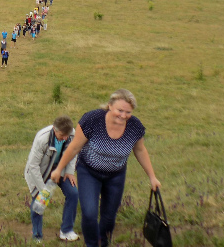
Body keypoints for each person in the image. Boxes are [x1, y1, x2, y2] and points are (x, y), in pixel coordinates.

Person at [51, 89, 161, 247]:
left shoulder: (134, 127)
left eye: (128, 112)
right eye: (120, 110)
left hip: (116, 176)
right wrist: (58, 169)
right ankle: (92, 244)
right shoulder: (92, 120)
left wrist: (152, 177)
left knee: (109, 218)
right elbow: (74, 147)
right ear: (110, 106)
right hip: (89, 172)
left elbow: (140, 150)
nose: (123, 115)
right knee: (89, 214)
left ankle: (104, 243)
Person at [25, 116, 80, 243]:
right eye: (62, 135)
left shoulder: (72, 134)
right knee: (39, 201)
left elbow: (73, 153)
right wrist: (43, 190)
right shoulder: (42, 138)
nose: (65, 138)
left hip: (60, 169)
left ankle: (66, 231)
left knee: (73, 193)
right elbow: (33, 166)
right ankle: (37, 236)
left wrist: (70, 172)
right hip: (40, 171)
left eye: (67, 135)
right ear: (55, 129)